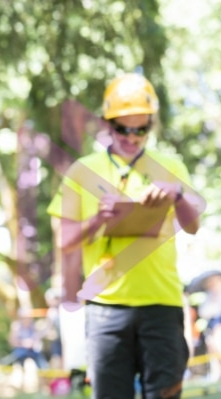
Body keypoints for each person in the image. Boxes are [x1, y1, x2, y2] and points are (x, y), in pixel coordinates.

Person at [47, 73, 202, 399]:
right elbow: (64, 240)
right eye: (123, 129)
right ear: (107, 123)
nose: (132, 137)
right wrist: (98, 220)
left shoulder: (170, 164)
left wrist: (177, 195)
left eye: (141, 129)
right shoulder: (81, 171)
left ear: (151, 125)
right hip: (106, 309)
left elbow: (193, 226)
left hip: (162, 303)